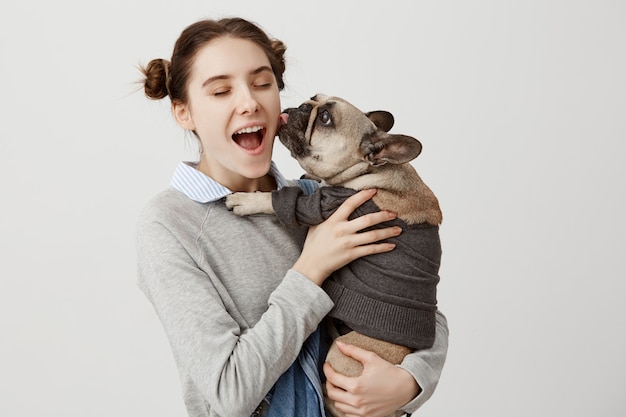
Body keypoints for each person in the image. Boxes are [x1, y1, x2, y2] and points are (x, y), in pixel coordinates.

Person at [136, 17, 448, 417]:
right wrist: (310, 269)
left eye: (262, 84)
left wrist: (411, 381)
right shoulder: (169, 225)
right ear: (184, 112)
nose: (248, 102)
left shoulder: (325, 199)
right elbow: (229, 394)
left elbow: (416, 302)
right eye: (220, 90)